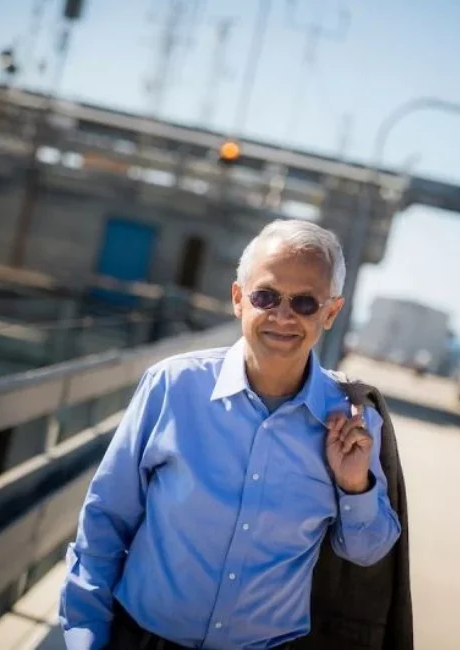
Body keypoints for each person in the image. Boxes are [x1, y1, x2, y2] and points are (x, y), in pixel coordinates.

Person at [59, 219, 402, 650]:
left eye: (305, 303)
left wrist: (355, 486)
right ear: (239, 299)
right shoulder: (174, 387)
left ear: (331, 312)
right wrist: (85, 637)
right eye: (266, 296)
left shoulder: (353, 420)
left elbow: (367, 552)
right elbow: (104, 523)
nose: (283, 316)